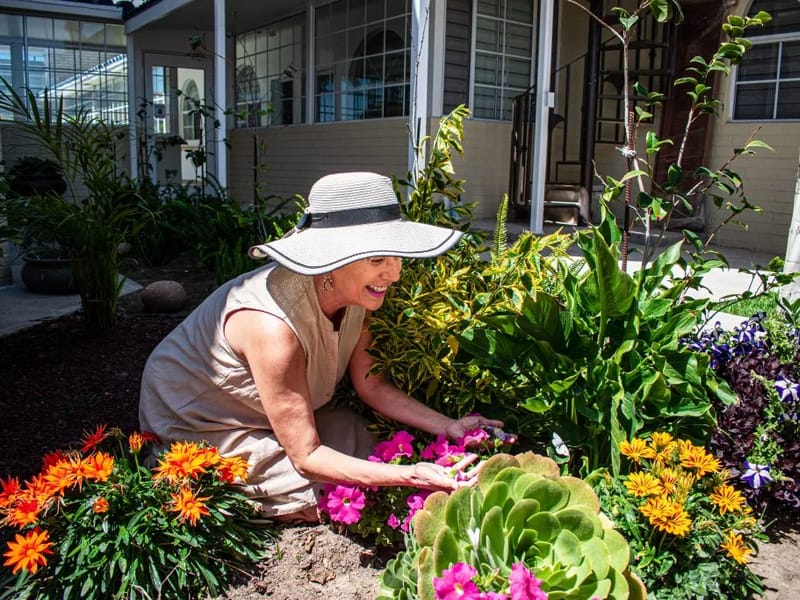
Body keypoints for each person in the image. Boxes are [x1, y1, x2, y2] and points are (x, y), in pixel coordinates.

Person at [139, 171, 505, 521]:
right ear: (332, 259)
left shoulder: (357, 297)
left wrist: (449, 426)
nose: (393, 274)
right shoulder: (272, 326)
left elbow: (371, 385)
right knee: (327, 493)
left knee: (370, 442)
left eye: (396, 257)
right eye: (378, 259)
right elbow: (308, 456)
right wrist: (411, 477)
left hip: (267, 414)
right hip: (204, 425)